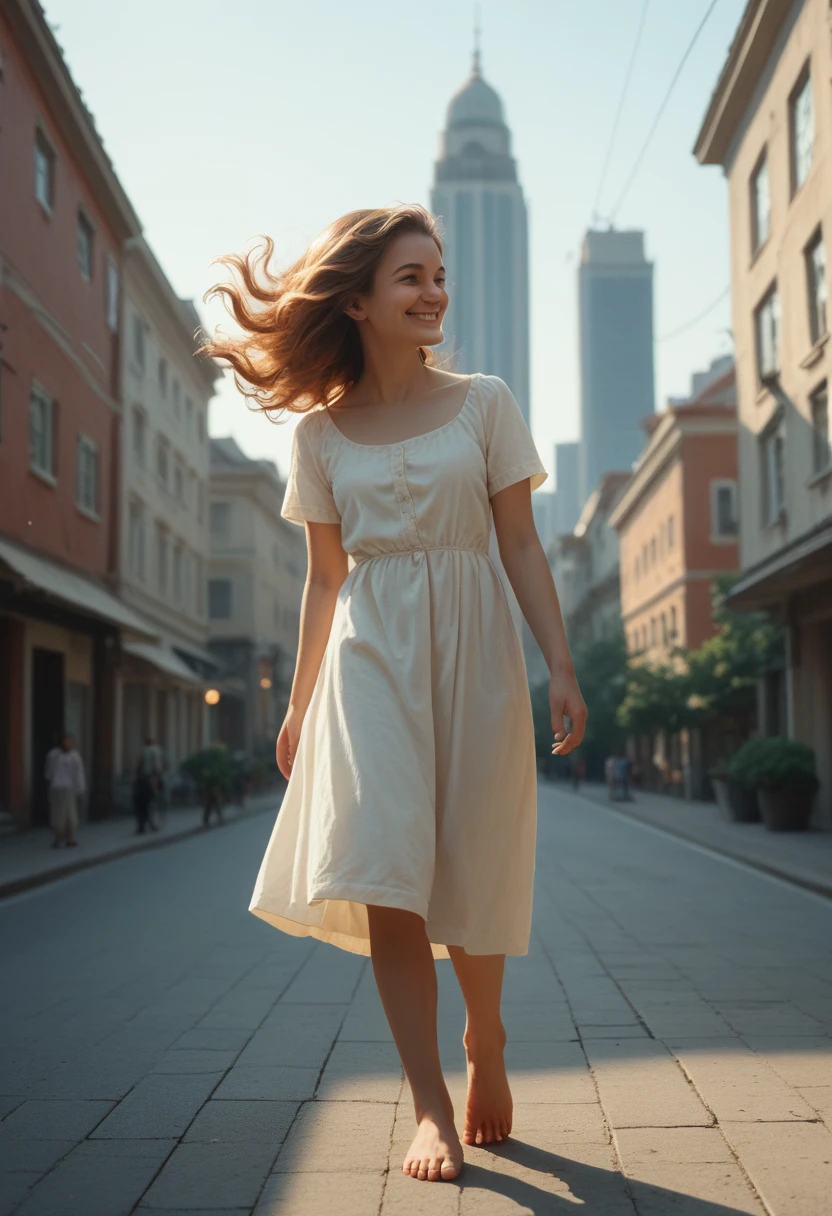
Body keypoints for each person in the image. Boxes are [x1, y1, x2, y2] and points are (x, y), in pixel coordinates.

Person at [201, 205, 587, 1184]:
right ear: (359, 300)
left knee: (473, 857)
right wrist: (295, 703)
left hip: (476, 647)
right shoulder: (319, 437)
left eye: (440, 274)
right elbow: (325, 579)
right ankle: (429, 1111)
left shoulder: (487, 402)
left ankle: (485, 1038)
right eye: (410, 277)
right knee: (386, 875)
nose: (433, 293)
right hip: (369, 658)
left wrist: (563, 665)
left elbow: (518, 544)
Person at [44, 733, 85, 848]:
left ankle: (70, 838)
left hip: (69, 788)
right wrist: (52, 782)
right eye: (65, 741)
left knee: (70, 815)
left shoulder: (75, 756)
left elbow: (79, 773)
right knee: (57, 815)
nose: (67, 743)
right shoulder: (53, 755)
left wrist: (80, 787)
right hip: (56, 787)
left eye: (69, 741)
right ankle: (57, 837)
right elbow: (49, 771)